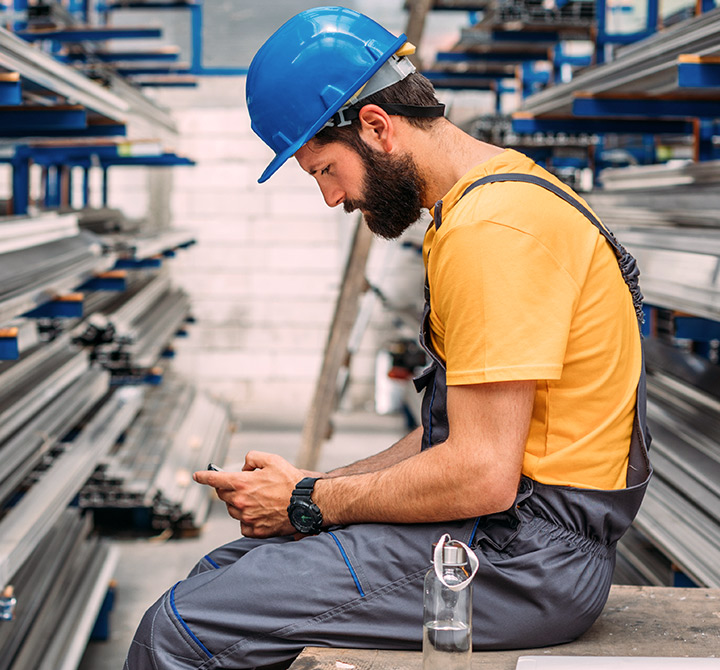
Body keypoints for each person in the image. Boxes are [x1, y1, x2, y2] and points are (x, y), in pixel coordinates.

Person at [125, 6, 652, 669]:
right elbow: (449, 441)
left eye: (324, 170)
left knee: (177, 630)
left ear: (375, 128)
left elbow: (483, 475)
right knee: (219, 570)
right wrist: (315, 484)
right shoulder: (480, 205)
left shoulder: (494, 232)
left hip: (523, 558)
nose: (331, 198)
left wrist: (307, 504)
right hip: (512, 537)